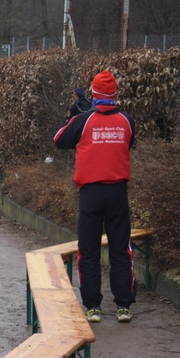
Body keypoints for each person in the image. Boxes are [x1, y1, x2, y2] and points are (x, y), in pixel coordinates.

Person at [54, 69, 137, 323]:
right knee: (120, 249)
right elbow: (129, 143)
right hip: (118, 191)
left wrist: (73, 115)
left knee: (88, 250)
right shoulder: (127, 120)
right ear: (115, 93)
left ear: (92, 93)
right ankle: (123, 306)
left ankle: (93, 307)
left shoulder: (83, 120)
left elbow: (59, 140)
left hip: (90, 193)